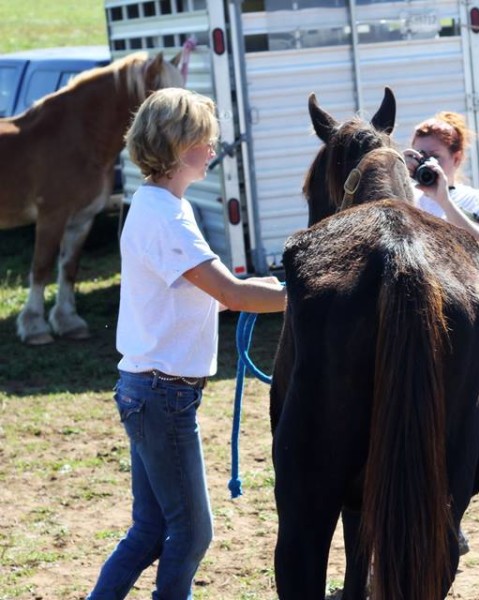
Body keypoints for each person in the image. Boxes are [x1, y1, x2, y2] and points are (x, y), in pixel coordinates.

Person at [88, 88, 286, 600]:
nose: (214, 148)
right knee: (192, 532)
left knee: (150, 531)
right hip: (163, 394)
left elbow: (211, 295)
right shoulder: (168, 217)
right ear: (180, 145)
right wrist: (310, 293)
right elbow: (230, 292)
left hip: (148, 388)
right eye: (207, 139)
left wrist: (279, 289)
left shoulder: (158, 205)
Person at [404, 111, 479, 249]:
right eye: (420, 156)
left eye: (434, 157)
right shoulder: (406, 197)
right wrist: (396, 170)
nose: (426, 164)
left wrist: (445, 202)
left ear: (456, 159)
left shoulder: (477, 199)